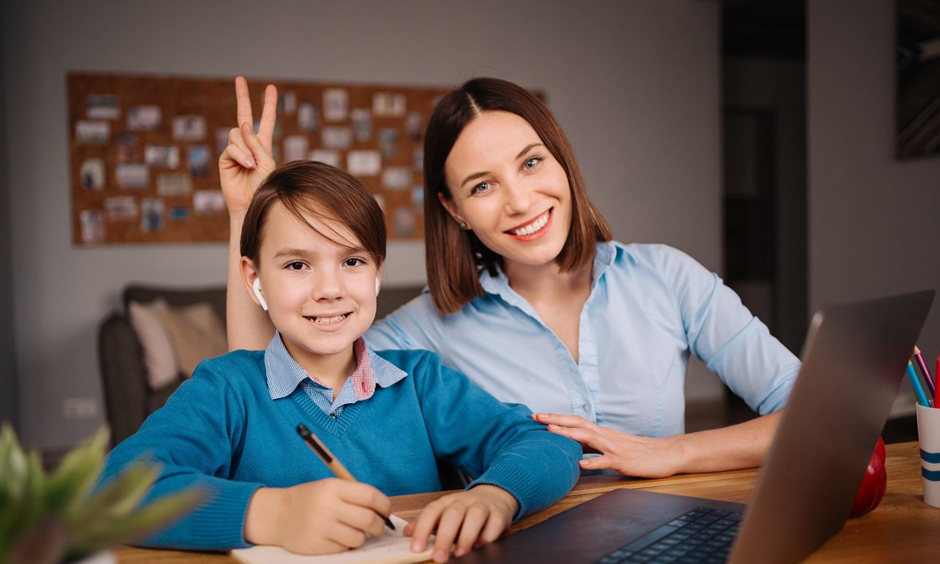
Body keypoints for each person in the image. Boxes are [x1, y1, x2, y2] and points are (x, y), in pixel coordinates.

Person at [222, 77, 801, 480]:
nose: (521, 201)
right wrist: (250, 215)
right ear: (454, 210)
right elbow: (267, 386)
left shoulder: (667, 276)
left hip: (667, 534)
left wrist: (670, 454)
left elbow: (815, 417)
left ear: (562, 162)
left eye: (530, 163)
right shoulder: (430, 328)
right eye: (482, 185)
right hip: (519, 558)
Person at [101, 160, 581, 564]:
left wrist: (495, 494)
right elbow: (114, 489)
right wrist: (271, 514)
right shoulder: (225, 389)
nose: (329, 289)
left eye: (352, 261)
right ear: (254, 279)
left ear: (377, 274)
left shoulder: (421, 381)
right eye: (296, 265)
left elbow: (544, 444)